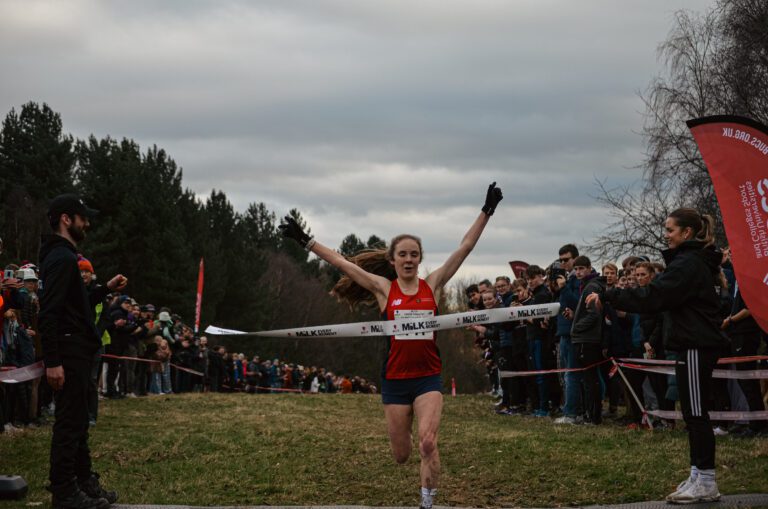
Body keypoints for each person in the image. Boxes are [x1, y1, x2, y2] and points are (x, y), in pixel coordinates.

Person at [279, 182, 502, 509]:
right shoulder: (384, 289)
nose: (409, 259)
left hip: (428, 377)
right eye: (403, 254)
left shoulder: (433, 285)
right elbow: (344, 265)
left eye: (414, 254)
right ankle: (412, 447)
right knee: (402, 455)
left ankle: (427, 502)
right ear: (394, 260)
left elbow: (464, 247)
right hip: (395, 381)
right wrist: (305, 240)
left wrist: (487, 211)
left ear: (420, 258)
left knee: (428, 444)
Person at [587, 208, 728, 503]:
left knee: (696, 413)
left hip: (696, 345)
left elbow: (653, 296)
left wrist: (611, 294)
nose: (665, 234)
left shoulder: (688, 264)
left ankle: (707, 479)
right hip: (691, 343)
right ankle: (698, 473)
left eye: (669, 230)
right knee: (693, 412)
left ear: (686, 233)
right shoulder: (692, 262)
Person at [38, 194, 127, 509]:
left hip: (76, 347)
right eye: (82, 217)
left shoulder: (66, 257)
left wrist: (104, 289)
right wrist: (53, 362)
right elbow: (49, 313)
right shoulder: (62, 259)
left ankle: (83, 481)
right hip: (69, 350)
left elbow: (76, 305)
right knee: (69, 423)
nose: (86, 223)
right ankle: (64, 492)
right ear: (66, 219)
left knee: (78, 421)